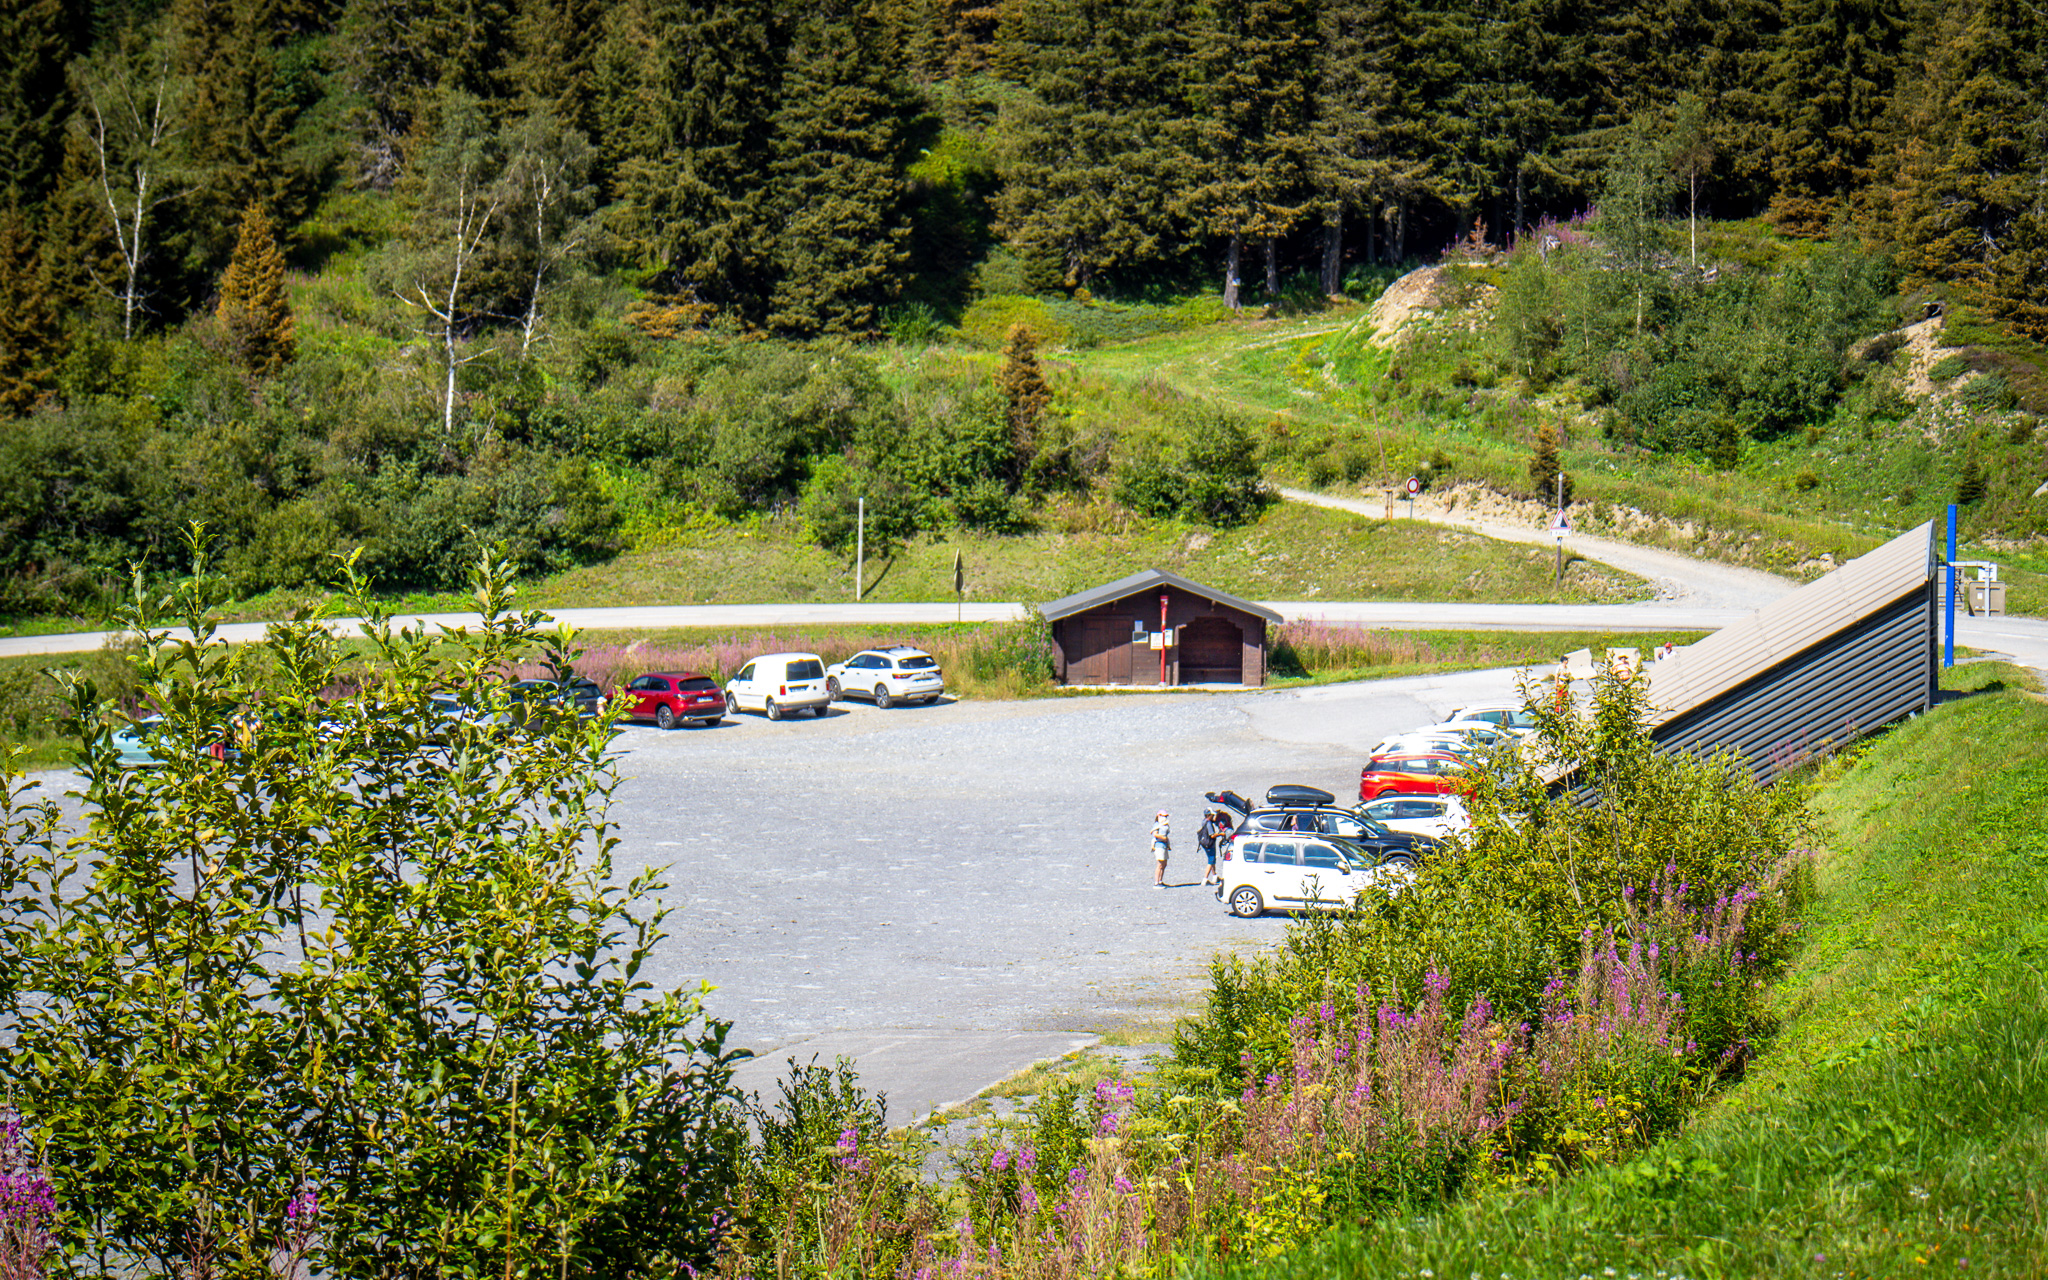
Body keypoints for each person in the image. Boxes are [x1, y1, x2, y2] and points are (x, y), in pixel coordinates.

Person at [1197, 810, 1221, 885]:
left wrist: (1217, 814)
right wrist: (1221, 834)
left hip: (1205, 843)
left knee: (1212, 859)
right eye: (1212, 815)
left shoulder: (1204, 821)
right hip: (1210, 844)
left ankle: (1215, 876)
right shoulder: (1209, 824)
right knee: (1211, 861)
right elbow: (1212, 835)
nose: (1213, 817)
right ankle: (1205, 879)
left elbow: (1213, 820)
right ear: (1208, 815)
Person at [1151, 810, 1171, 886]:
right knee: (1159, 864)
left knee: (1164, 864)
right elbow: (1155, 834)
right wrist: (1163, 838)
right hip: (1159, 846)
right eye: (1164, 816)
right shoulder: (1157, 824)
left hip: (1164, 846)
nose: (1165, 818)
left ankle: (1160, 881)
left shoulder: (1165, 825)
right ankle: (1156, 882)